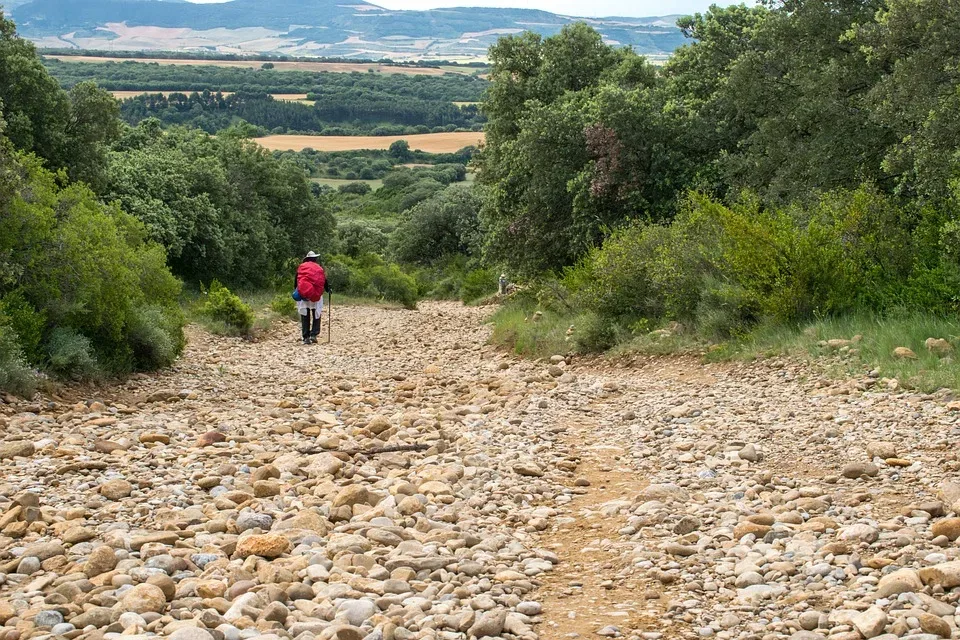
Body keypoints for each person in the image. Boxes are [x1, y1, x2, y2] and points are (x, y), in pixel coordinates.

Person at [294, 251, 331, 345]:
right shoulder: (318, 268)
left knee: (305, 315)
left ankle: (306, 336)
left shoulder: (302, 267)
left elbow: (297, 280)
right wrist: (328, 290)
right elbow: (324, 281)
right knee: (316, 314)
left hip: (304, 294)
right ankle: (313, 335)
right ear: (315, 259)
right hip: (316, 295)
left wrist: (298, 291)